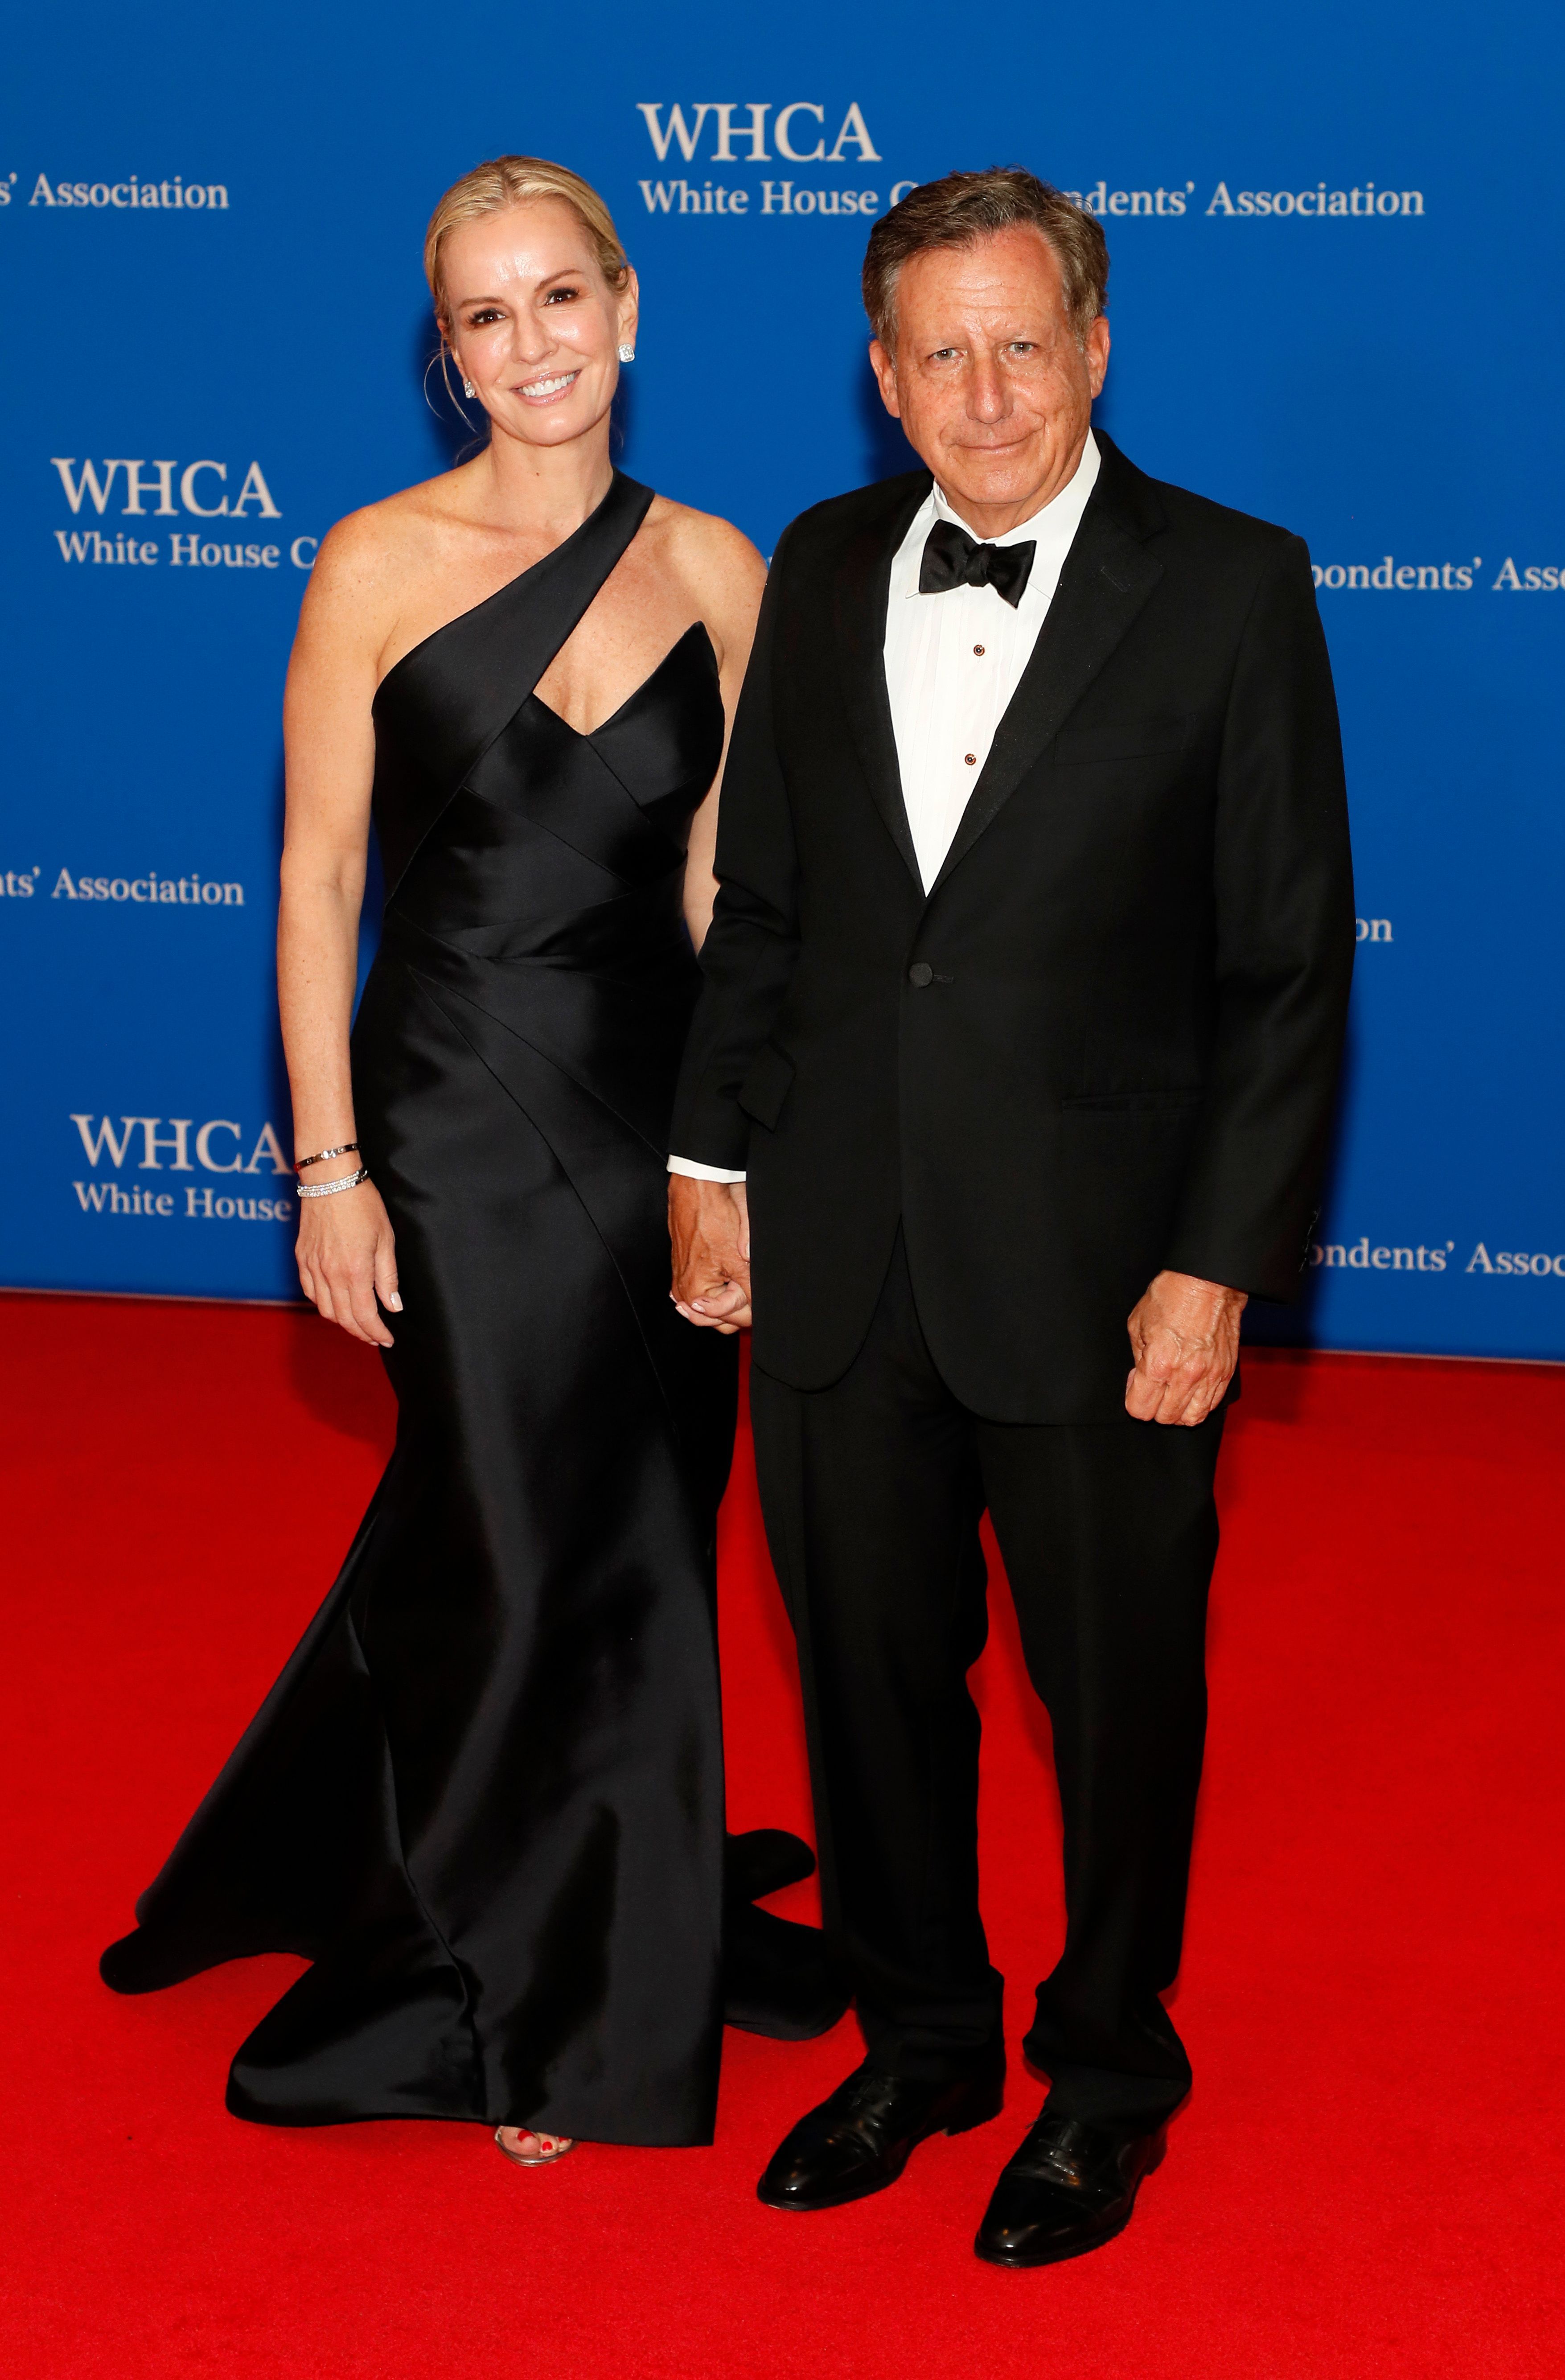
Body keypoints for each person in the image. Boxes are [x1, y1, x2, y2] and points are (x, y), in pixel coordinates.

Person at [100, 154, 838, 2164]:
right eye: (484, 317)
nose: (531, 347)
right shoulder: (372, 561)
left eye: (559, 299)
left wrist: (738, 1159)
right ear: (448, 355)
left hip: (652, 1110)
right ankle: (531, 1987)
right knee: (516, 1522)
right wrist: (324, 1168)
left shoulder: (718, 566)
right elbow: (317, 873)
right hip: (443, 1107)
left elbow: (722, 893)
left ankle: (586, 1887)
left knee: (639, 1521)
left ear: (629, 307)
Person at [668, 167, 1354, 2261]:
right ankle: (922, 2042)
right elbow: (767, 907)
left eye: (1019, 344)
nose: (982, 391)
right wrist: (710, 1166)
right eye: (935, 353)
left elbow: (1286, 965)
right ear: (879, 378)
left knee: (1114, 1686)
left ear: (1095, 345)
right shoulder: (820, 555)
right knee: (868, 1682)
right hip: (840, 1240)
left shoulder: (1231, 587)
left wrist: (1217, 1260)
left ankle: (1102, 2080)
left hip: (1100, 1263)